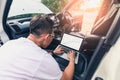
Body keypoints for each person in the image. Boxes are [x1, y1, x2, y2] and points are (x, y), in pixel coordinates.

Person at [0, 15, 75, 80]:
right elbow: (66, 78)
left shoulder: (10, 43)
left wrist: (53, 52)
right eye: (52, 36)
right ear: (47, 37)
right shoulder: (43, 59)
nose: (53, 38)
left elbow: (31, 60)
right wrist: (72, 59)